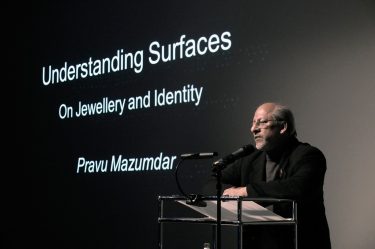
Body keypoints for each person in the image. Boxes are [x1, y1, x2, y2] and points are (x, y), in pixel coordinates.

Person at [206, 102, 331, 249]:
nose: (253, 129)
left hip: (299, 242)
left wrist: (245, 192)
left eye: (262, 122)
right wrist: (228, 194)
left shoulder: (308, 155)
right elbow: (211, 184)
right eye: (253, 123)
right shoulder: (250, 160)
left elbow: (297, 187)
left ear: (283, 127)